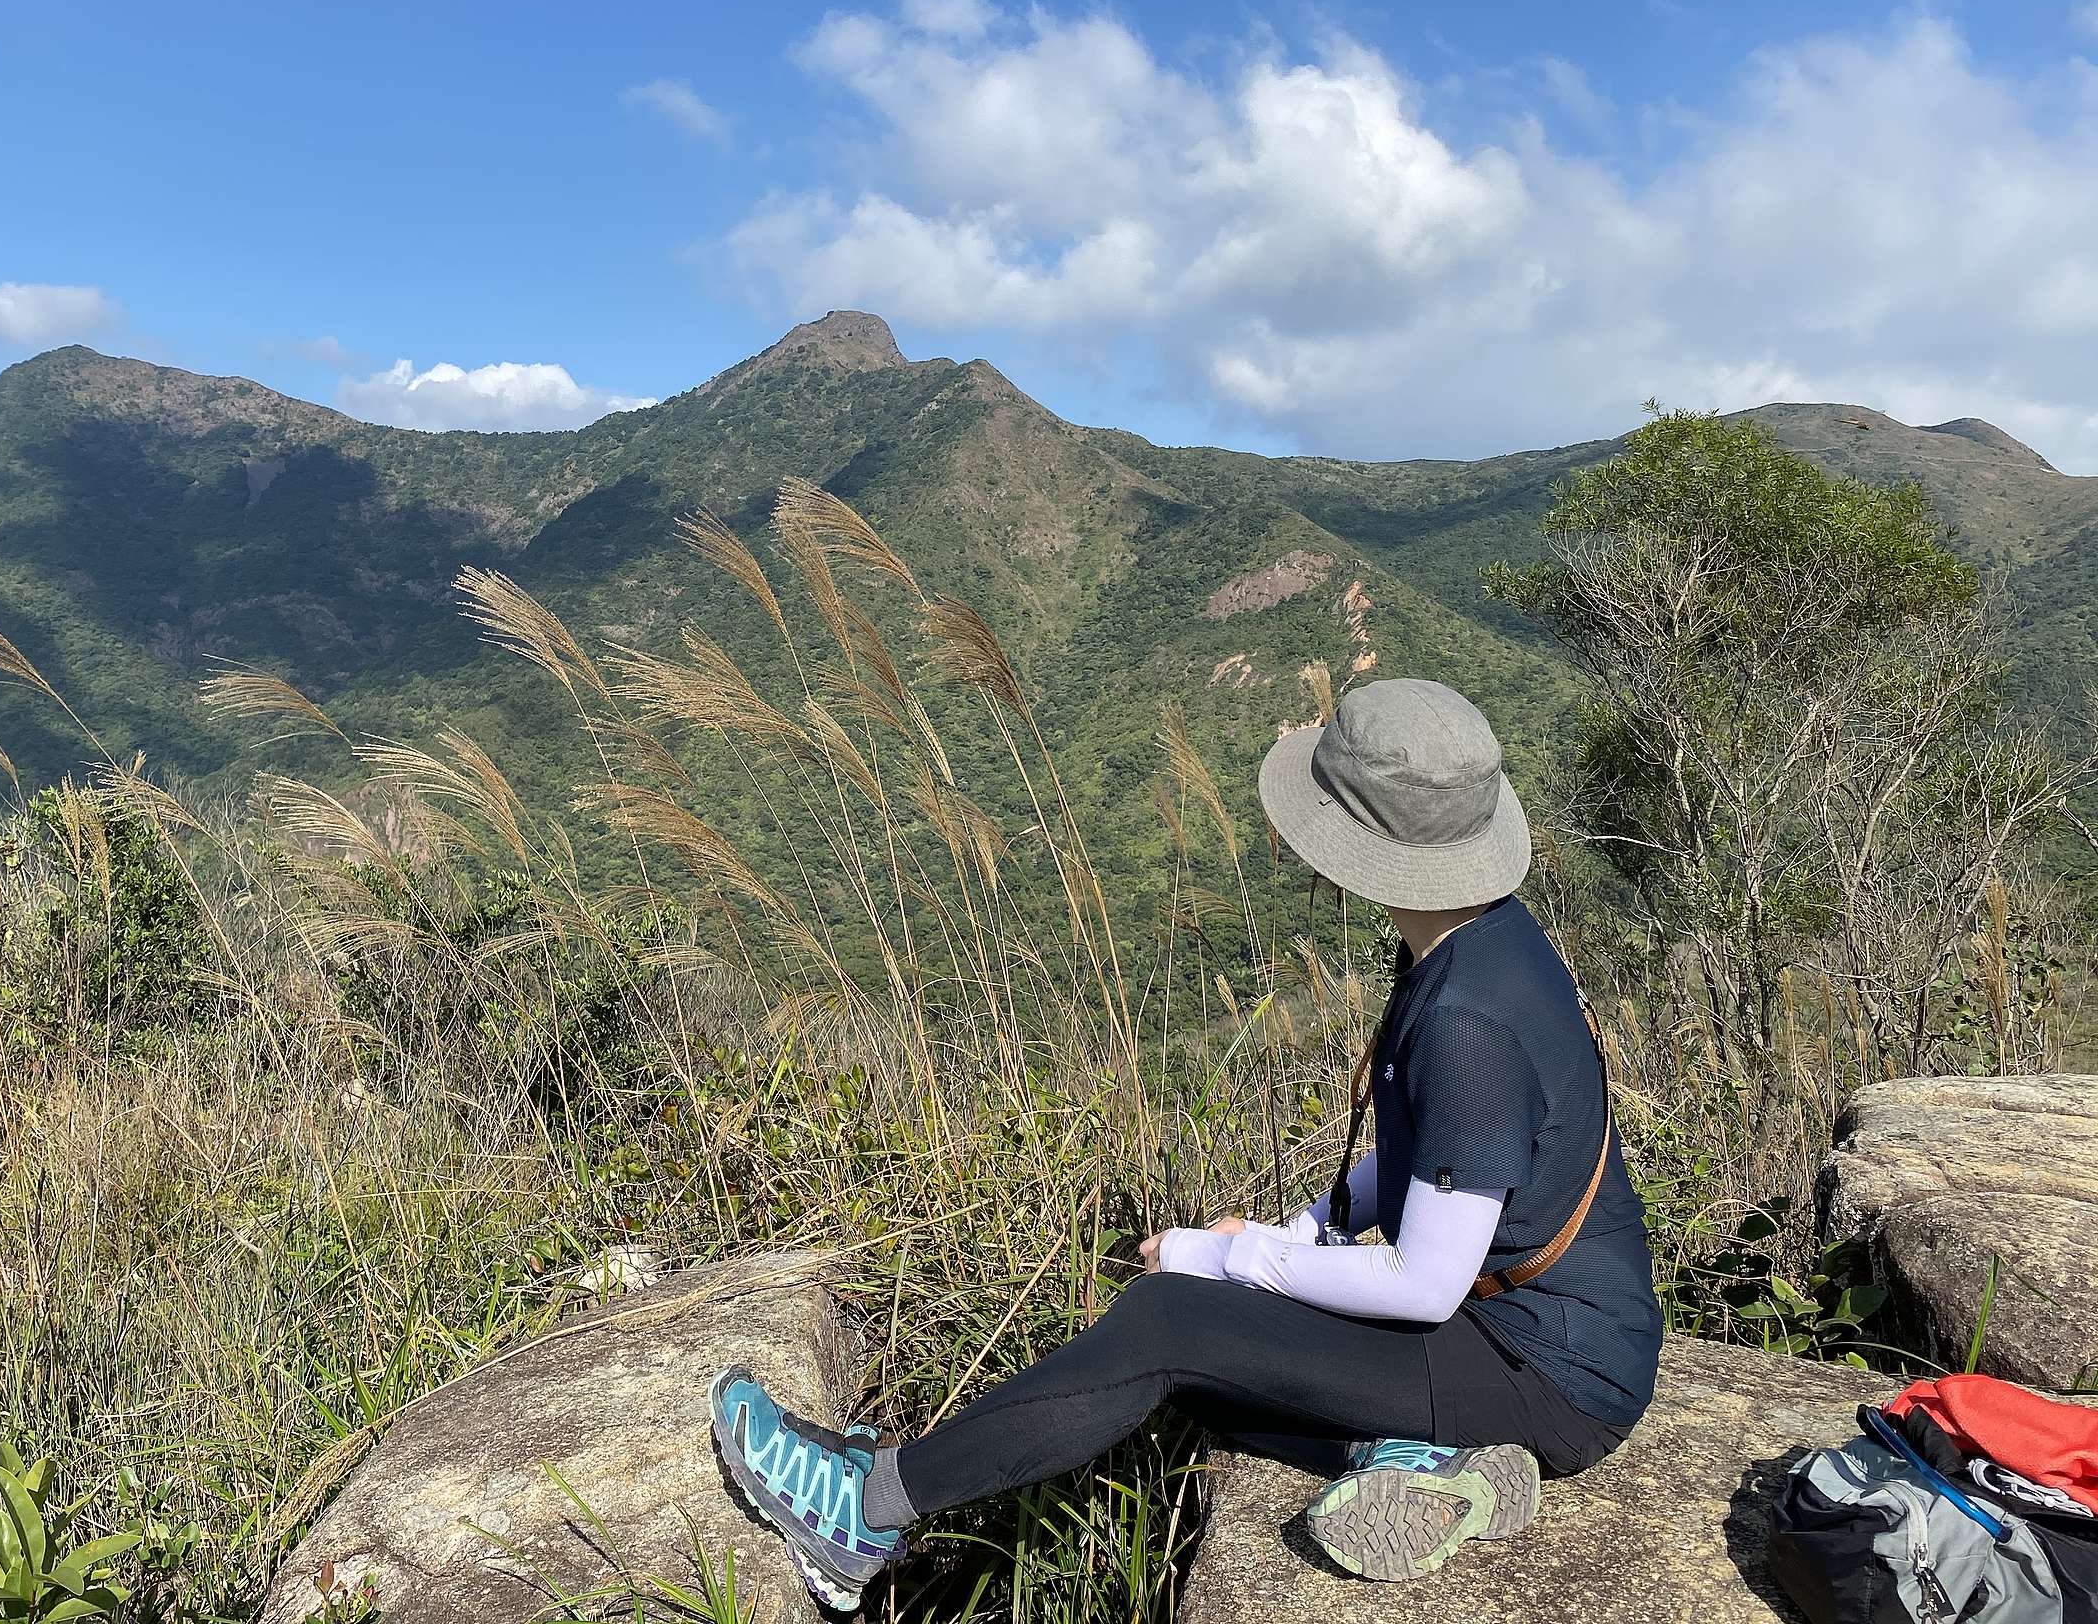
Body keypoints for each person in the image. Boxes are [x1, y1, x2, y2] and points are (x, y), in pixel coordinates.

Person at [708, 678, 1663, 1608]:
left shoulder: (1468, 1024)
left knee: (1168, 1326)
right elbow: (1446, 1159)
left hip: (1542, 1369)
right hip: (1533, 1335)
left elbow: (1425, 1282)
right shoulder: (1479, 942)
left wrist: (1236, 1258)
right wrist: (1306, 1227)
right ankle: (1433, 1456)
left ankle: (864, 1513)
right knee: (1202, 1380)